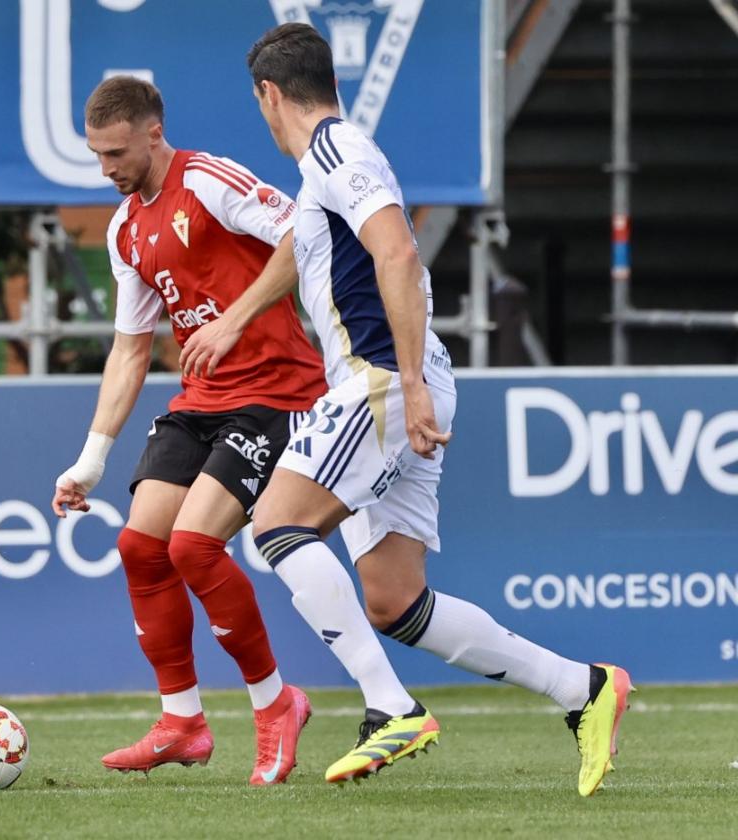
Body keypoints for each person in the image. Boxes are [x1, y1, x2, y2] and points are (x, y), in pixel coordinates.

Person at [180, 22, 632, 796]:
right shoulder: (325, 167)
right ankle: (583, 690)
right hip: (395, 379)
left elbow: (396, 251)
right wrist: (237, 317)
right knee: (392, 600)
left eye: (257, 103)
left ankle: (390, 706)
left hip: (381, 379)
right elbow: (304, 244)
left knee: (275, 524)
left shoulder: (336, 153)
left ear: (269, 94)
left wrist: (411, 383)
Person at [51, 75, 327, 785]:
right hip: (202, 399)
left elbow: (306, 231)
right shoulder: (124, 229)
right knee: (141, 546)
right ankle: (182, 721)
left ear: (152, 132)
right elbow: (130, 348)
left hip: (275, 390)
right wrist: (90, 459)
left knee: (194, 546)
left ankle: (276, 703)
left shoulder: (208, 181)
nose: (106, 169)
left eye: (115, 153)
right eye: (96, 155)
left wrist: (234, 319)